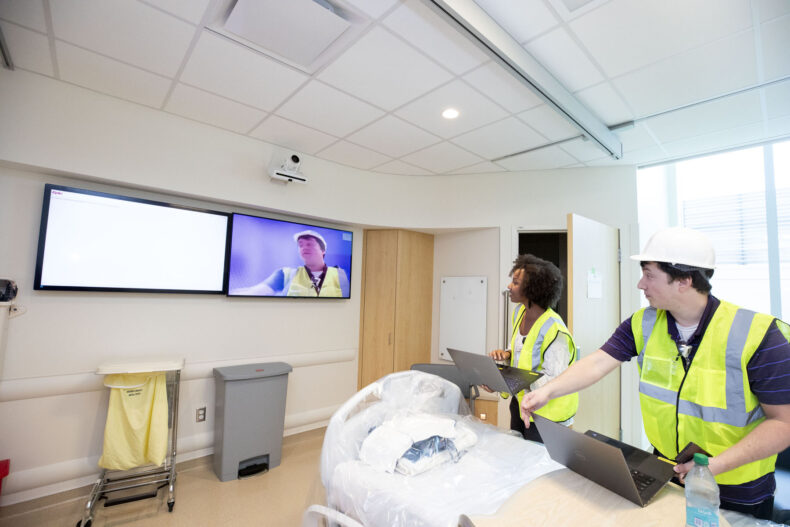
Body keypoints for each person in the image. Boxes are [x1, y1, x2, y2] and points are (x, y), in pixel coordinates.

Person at [520, 226, 790, 519]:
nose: (640, 284)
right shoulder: (644, 323)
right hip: (667, 474)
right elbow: (598, 362)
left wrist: (715, 466)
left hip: (737, 488)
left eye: (649, 275)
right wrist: (546, 391)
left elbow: (783, 424)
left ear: (684, 280)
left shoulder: (760, 335)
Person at [487, 254, 578, 443]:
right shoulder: (519, 312)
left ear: (532, 289)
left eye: (515, 283)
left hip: (547, 415)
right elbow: (521, 349)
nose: (509, 287)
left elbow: (554, 381)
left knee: (539, 468)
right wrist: (507, 354)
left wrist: (502, 380)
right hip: (522, 403)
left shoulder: (555, 330)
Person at [235, 230, 349, 297]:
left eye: (310, 244)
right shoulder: (285, 274)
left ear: (323, 250)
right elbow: (258, 291)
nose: (304, 248)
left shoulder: (340, 275)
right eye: (301, 245)